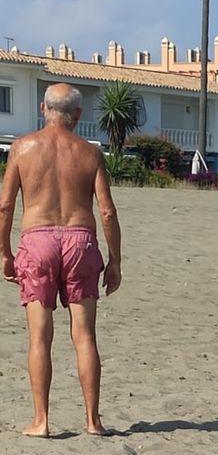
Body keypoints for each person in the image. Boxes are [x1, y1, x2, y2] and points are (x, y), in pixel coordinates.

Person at [0, 83, 122, 437]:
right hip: (80, 240)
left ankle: (42, 421)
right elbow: (108, 212)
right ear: (78, 115)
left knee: (39, 337)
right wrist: (114, 260)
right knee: (85, 336)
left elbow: (5, 205)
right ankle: (92, 420)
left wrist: (5, 252)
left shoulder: (22, 148)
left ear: (43, 108)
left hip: (37, 242)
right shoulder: (90, 153)